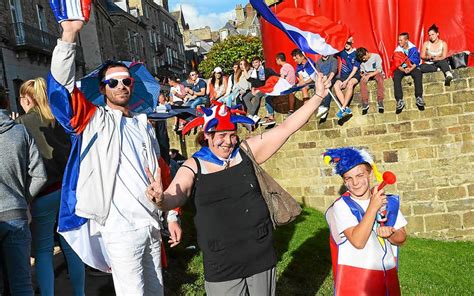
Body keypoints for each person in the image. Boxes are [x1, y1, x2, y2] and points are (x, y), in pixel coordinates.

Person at [144, 73, 331, 296]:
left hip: (260, 253)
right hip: (222, 262)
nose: (228, 141)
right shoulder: (194, 165)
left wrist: (318, 96)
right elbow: (178, 195)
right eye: (221, 135)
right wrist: (161, 200)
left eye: (232, 134)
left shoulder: (245, 152)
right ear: (208, 134)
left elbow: (286, 128)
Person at [47, 18, 181, 295]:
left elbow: (161, 172)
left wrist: (171, 217)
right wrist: (69, 35)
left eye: (126, 81)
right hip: (120, 228)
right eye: (113, 82)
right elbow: (60, 90)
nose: (121, 86)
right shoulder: (94, 121)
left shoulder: (144, 125)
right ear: (103, 88)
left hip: (150, 223)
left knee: (156, 291)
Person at [15, 78, 85, 296]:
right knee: (72, 247)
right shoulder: (61, 118)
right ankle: (80, 293)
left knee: (44, 252)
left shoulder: (22, 124)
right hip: (66, 191)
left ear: (27, 99)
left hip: (41, 192)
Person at [324, 147, 407, 295]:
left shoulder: (387, 201)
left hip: (387, 278)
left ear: (369, 173)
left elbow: (401, 238)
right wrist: (373, 207)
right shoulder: (341, 206)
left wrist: (390, 234)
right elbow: (358, 241)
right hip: (357, 281)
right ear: (344, 180)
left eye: (360, 175)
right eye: (348, 178)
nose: (355, 183)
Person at [0, 86, 47, 295]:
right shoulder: (20, 132)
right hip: (16, 215)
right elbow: (40, 175)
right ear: (7, 103)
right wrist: (21, 198)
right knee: (22, 284)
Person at [391, 32, 424, 114]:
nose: (399, 42)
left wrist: (410, 69)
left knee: (418, 73)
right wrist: (404, 69)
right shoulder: (397, 51)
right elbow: (397, 64)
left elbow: (416, 61)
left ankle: (419, 97)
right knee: (396, 76)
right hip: (402, 68)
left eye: (401, 40)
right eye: (399, 40)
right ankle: (399, 100)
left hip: (411, 67)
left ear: (406, 40)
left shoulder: (413, 49)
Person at [242, 57, 278, 126]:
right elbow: (252, 81)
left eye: (256, 62)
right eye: (253, 63)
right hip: (257, 89)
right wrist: (252, 88)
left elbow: (269, 80)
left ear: (260, 62)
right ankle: (255, 115)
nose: (255, 64)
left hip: (265, 89)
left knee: (257, 95)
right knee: (246, 97)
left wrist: (259, 90)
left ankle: (251, 115)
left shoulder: (265, 70)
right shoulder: (254, 72)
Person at [333, 37, 360, 120]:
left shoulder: (356, 54)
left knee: (350, 84)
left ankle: (343, 108)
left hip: (354, 75)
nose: (346, 45)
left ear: (352, 42)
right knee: (336, 86)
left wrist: (346, 81)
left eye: (348, 43)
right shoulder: (342, 52)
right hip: (343, 76)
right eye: (345, 43)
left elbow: (354, 70)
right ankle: (346, 108)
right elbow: (333, 49)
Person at [356, 47, 385, 115]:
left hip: (376, 72)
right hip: (367, 73)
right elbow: (362, 71)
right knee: (362, 81)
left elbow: (379, 70)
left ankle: (380, 101)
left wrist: (370, 75)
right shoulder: (362, 61)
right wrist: (362, 74)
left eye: (364, 57)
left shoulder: (376, 56)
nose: (363, 59)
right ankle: (365, 102)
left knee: (380, 79)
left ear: (366, 53)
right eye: (362, 59)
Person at [314, 55, 338, 123]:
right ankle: (321, 106)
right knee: (316, 87)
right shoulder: (318, 62)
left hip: (332, 78)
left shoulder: (333, 59)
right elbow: (318, 73)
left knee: (327, 87)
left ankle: (325, 107)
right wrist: (321, 79)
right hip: (323, 79)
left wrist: (328, 80)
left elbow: (334, 71)